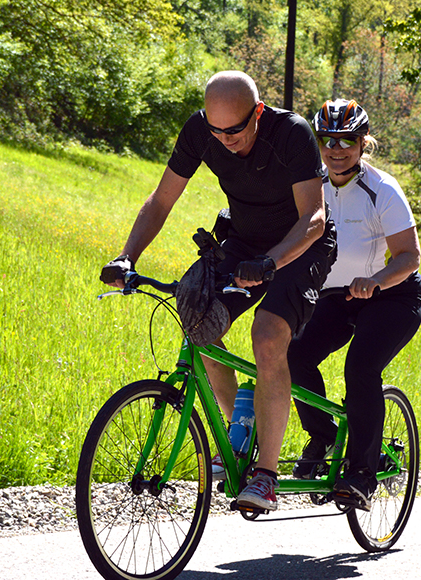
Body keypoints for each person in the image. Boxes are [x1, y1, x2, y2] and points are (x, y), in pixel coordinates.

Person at [100, 71, 336, 512]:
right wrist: (127, 256)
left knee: (267, 338)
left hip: (301, 246)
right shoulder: (199, 131)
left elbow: (314, 219)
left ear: (258, 113)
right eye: (215, 129)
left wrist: (271, 262)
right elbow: (161, 200)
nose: (224, 139)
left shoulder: (291, 134)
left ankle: (265, 475)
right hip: (243, 241)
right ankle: (239, 429)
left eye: (235, 129)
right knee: (198, 321)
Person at [287, 98, 421, 512]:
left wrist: (376, 280)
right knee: (294, 353)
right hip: (339, 295)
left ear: (364, 143)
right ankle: (325, 436)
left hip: (392, 297)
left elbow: (409, 257)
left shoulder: (381, 189)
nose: (336, 147)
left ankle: (362, 474)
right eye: (327, 139)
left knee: (360, 367)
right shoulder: (314, 187)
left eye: (347, 139)